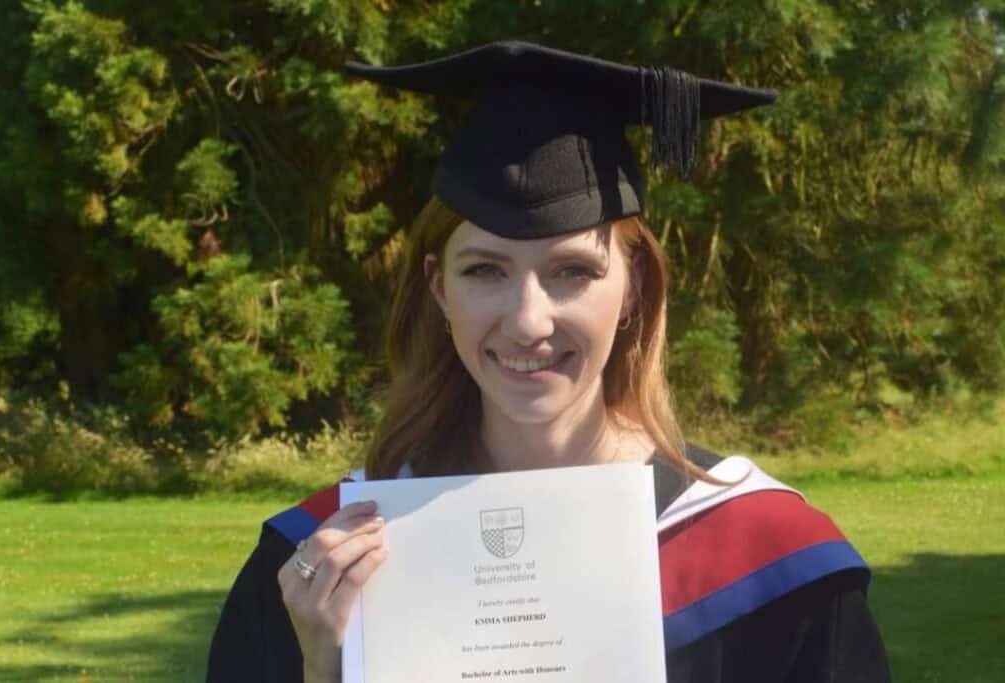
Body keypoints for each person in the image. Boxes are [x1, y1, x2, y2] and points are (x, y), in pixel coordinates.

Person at [207, 42, 891, 682]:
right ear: (439, 288)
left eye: (571, 271)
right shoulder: (311, 568)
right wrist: (327, 666)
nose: (529, 319)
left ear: (636, 289)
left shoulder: (770, 561)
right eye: (483, 270)